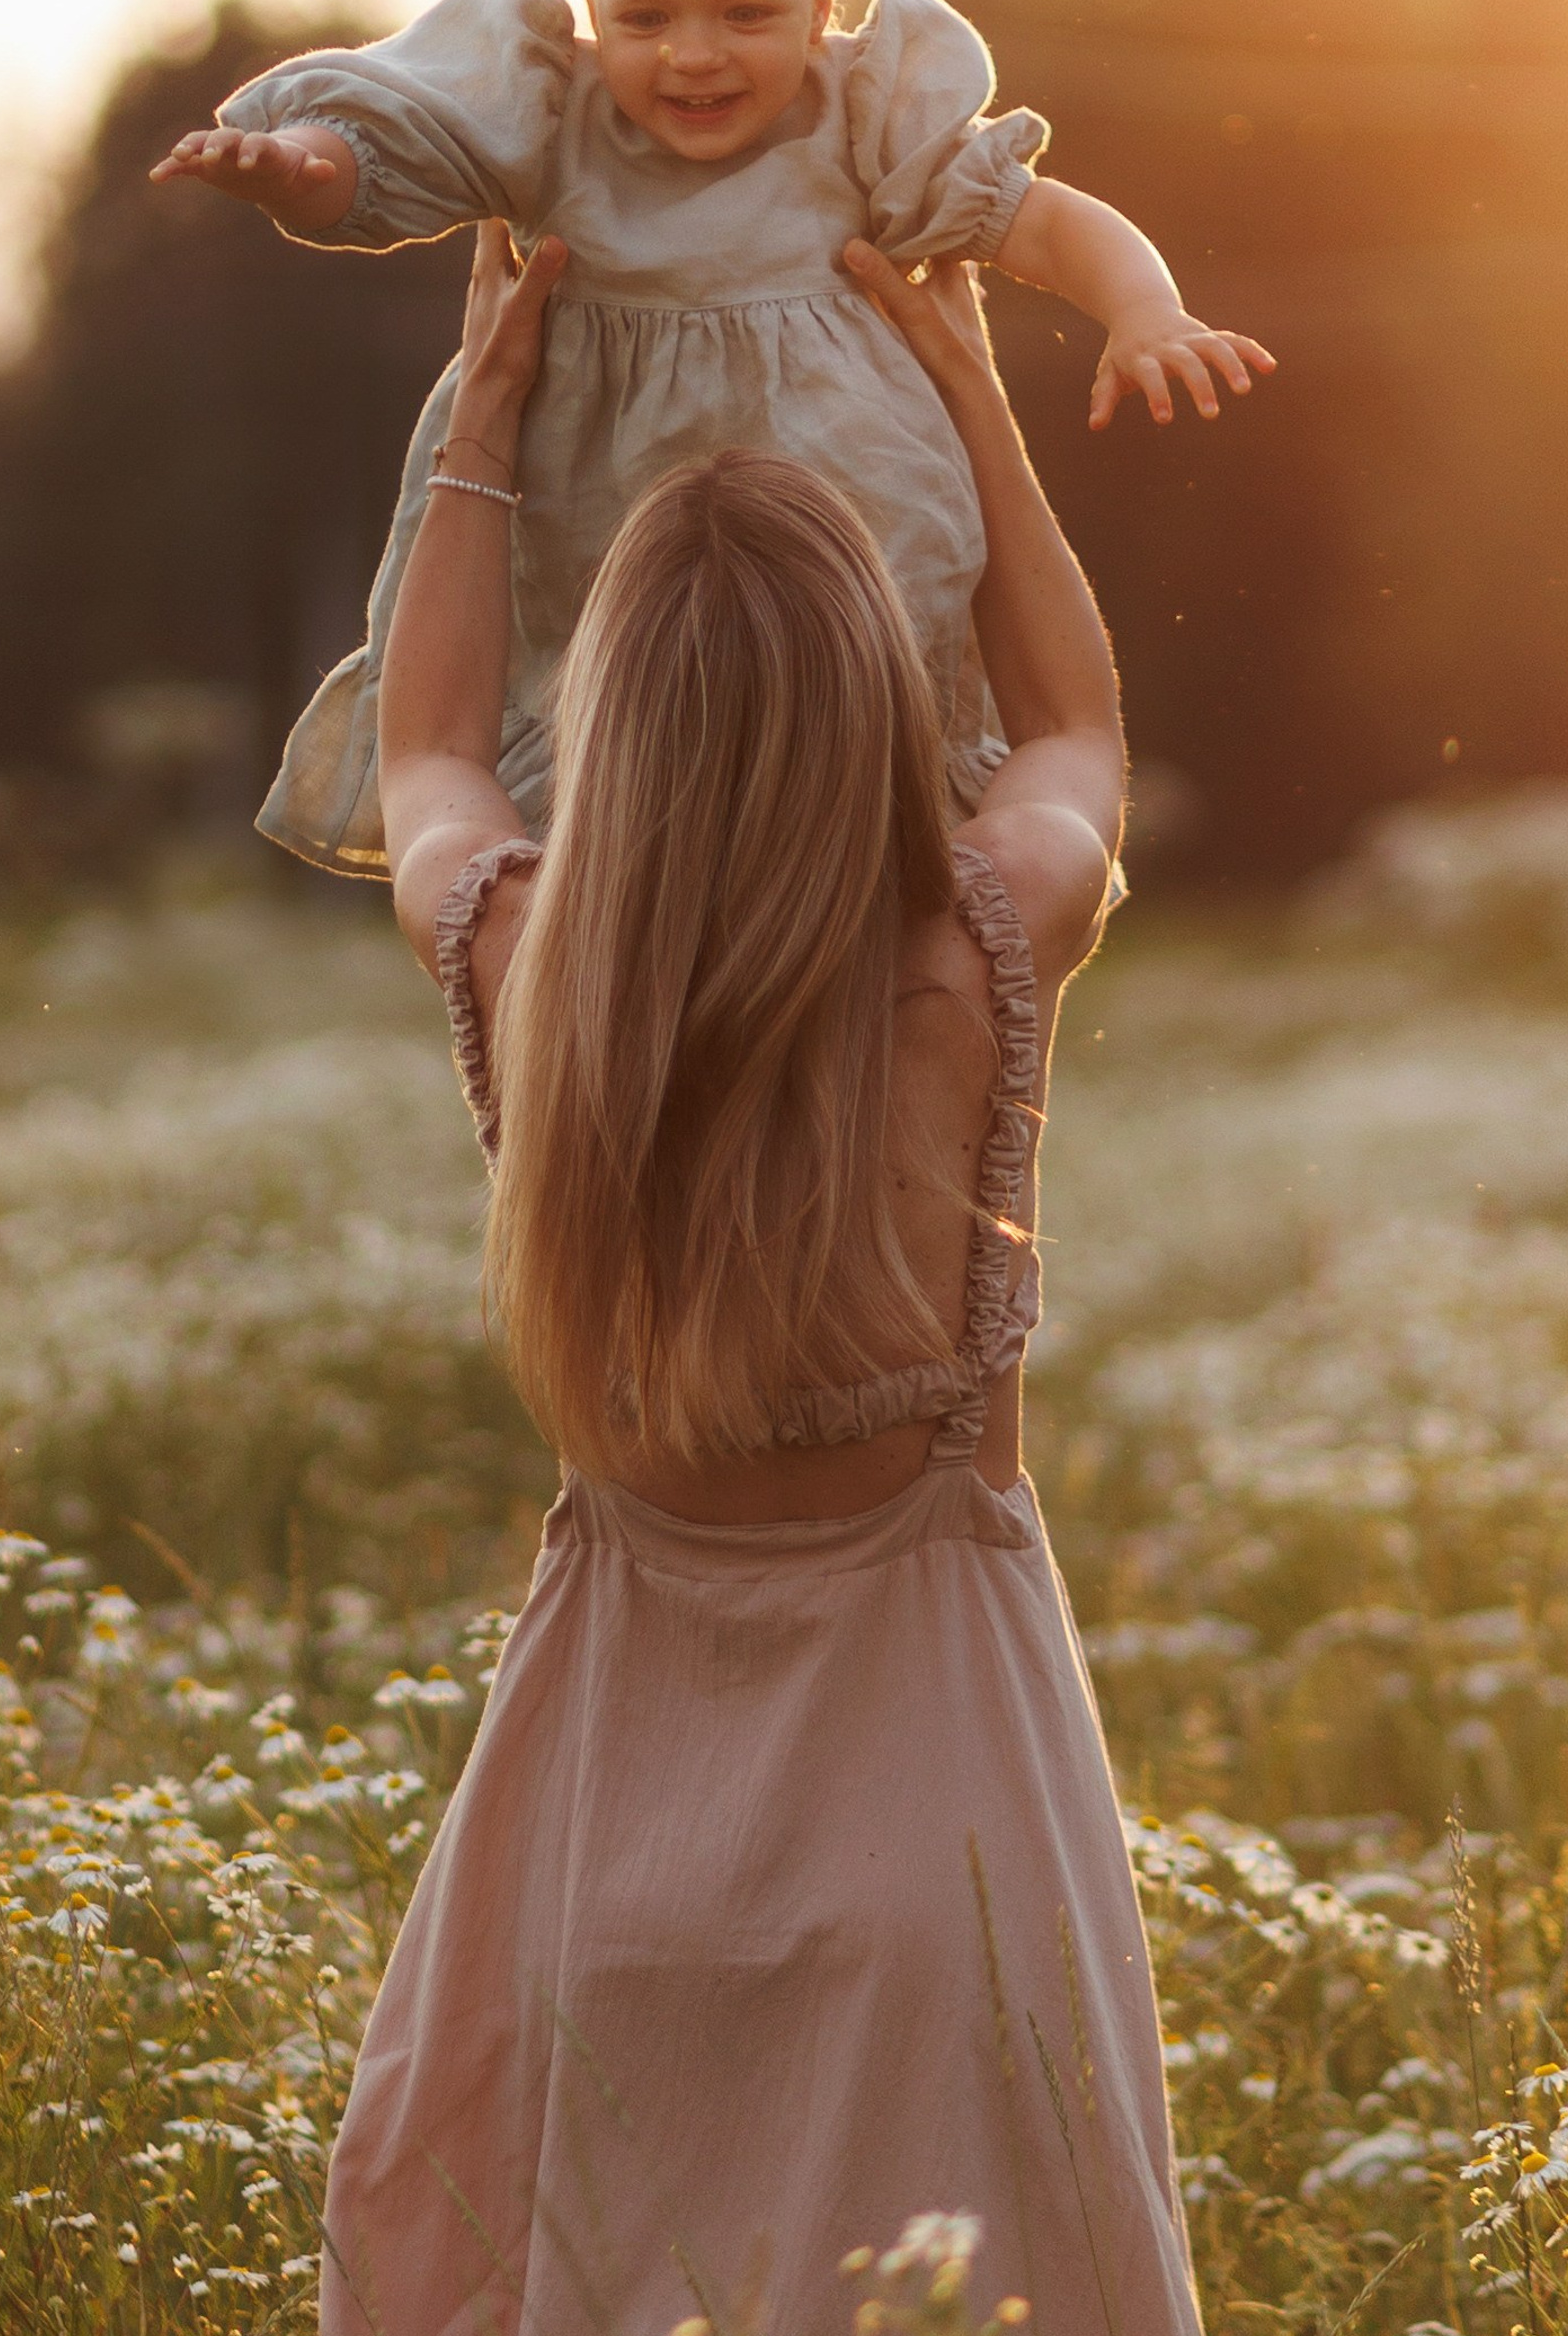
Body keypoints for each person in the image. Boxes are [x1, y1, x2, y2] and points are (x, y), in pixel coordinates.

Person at [317, 216, 1201, 2334]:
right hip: (945, 1832)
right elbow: (1078, 713)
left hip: (601, 1828)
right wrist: (973, 387)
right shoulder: (977, 954)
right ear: (877, 705)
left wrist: (487, 419)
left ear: (607, 726)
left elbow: (421, 755)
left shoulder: (534, 968)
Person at [152, 0, 1270, 876]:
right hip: (611, 545)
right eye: (646, 19)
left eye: (746, 13)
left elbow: (1045, 219)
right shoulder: (547, 118)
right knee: (620, 763)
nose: (694, 55)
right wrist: (297, 168)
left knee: (873, 729)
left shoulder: (865, 121)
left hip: (855, 531)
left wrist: (1143, 308)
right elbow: (389, 157)